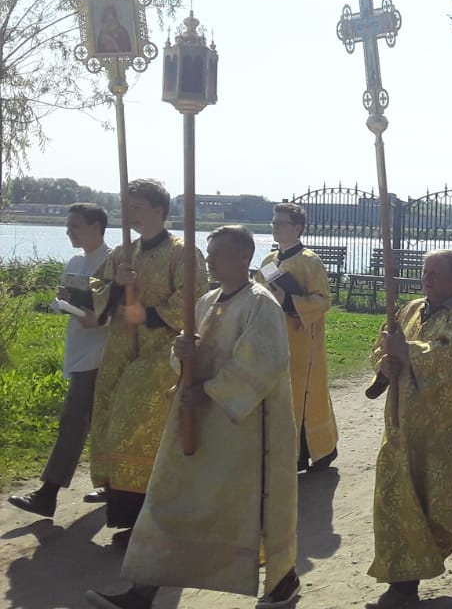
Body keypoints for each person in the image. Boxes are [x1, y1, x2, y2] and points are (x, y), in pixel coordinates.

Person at [86, 226, 299, 609]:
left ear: (244, 256)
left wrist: (208, 391)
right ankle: (143, 590)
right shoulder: (205, 301)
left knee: (252, 509)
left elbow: (263, 365)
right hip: (196, 422)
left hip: (243, 432)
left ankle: (282, 579)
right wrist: (181, 352)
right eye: (209, 252)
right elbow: (183, 358)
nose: (210, 260)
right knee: (170, 498)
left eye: (218, 253)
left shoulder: (260, 304)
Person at [367, 250, 452, 608]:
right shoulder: (408, 310)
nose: (427, 279)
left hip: (446, 431)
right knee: (396, 499)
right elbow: (382, 346)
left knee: (439, 505)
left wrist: (407, 352)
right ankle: (402, 585)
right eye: (425, 272)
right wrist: (385, 365)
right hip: (401, 423)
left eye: (435, 273)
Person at [88, 179, 208, 547]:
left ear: (158, 209)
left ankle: (148, 516)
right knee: (111, 413)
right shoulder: (124, 252)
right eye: (126, 206)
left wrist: (149, 313)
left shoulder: (183, 252)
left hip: (162, 350)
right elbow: (96, 287)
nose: (129, 213)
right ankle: (122, 506)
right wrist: (115, 284)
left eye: (136, 206)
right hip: (121, 347)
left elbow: (194, 299)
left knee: (135, 419)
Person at [8, 204, 111, 518]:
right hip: (78, 346)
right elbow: (66, 301)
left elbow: (115, 311)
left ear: (96, 226)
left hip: (100, 351)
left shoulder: (111, 263)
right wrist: (63, 301)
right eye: (68, 226)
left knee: (73, 420)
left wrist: (94, 315)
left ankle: (48, 494)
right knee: (100, 421)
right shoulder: (75, 261)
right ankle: (117, 485)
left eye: (75, 226)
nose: (68, 232)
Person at [255, 202, 338, 473]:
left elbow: (323, 300)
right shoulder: (269, 261)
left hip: (303, 340)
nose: (276, 227)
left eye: (281, 223)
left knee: (303, 394)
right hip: (274, 338)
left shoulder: (310, 261)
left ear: (298, 228)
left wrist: (289, 300)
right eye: (274, 222)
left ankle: (317, 451)